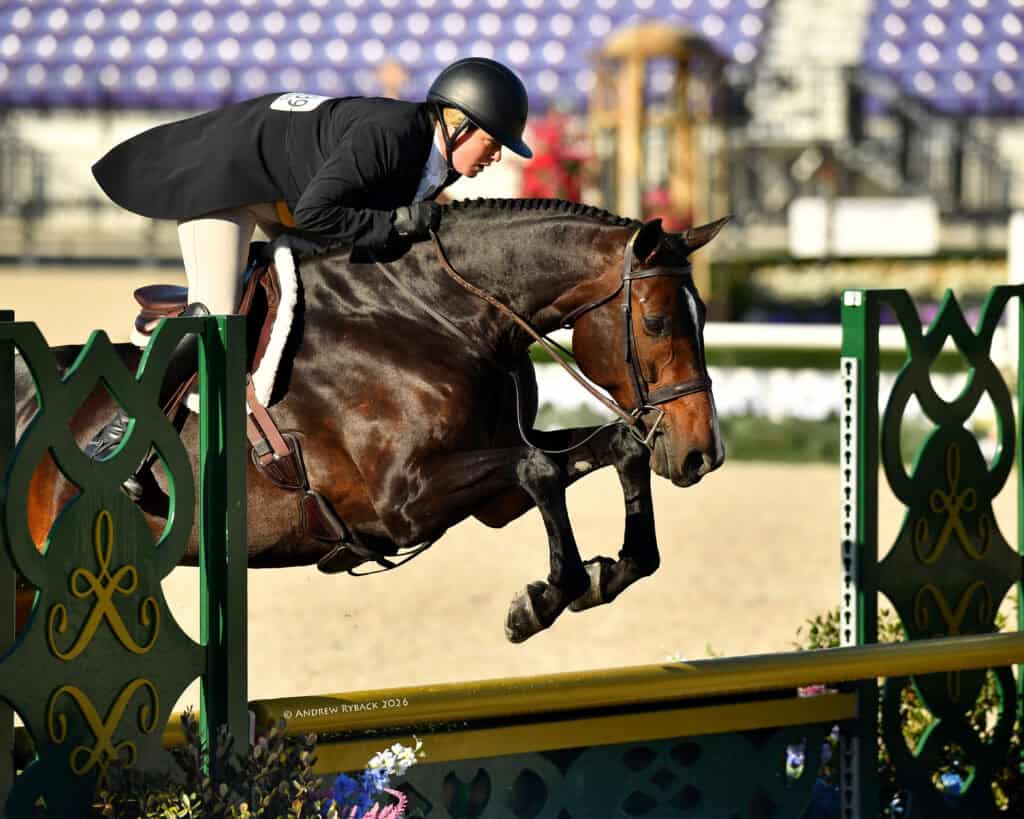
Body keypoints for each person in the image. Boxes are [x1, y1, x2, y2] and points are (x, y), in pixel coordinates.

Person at [84, 57, 533, 491]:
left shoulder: (432, 156)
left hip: (287, 192)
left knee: (331, 287)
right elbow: (320, 214)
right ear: (458, 125)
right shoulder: (392, 137)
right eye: (493, 144)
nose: (495, 157)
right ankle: (124, 434)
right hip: (225, 183)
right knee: (216, 320)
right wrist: (392, 224)